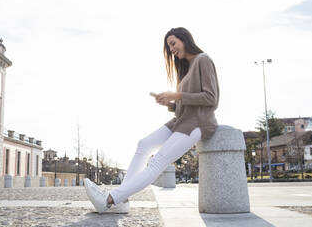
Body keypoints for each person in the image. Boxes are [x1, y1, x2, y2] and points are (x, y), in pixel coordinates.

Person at [84, 27, 220, 214]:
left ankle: (110, 199)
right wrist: (169, 103)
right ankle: (122, 200)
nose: (171, 49)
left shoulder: (203, 60)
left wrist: (178, 94)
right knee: (144, 144)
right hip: (181, 120)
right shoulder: (188, 68)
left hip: (197, 122)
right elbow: (185, 103)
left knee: (158, 162)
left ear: (185, 39)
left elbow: (211, 98)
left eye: (173, 43)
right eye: (169, 46)